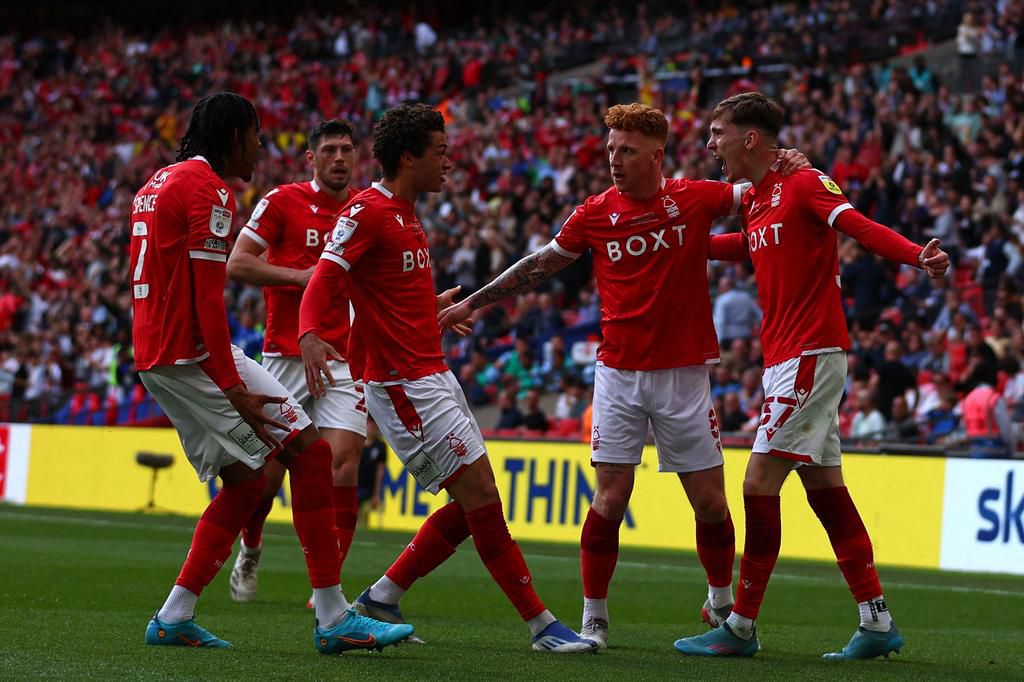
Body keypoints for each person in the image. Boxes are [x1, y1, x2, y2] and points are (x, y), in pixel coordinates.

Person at [440, 102, 809, 648]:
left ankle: (721, 601)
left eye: (627, 150)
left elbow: (760, 188)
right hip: (618, 375)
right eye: (611, 149)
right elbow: (540, 263)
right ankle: (594, 618)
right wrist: (474, 303)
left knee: (709, 502)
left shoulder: (695, 197)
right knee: (610, 498)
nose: (614, 159)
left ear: (656, 154)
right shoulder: (593, 212)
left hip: (683, 375)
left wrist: (789, 163)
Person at [297, 103, 595, 653]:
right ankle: (542, 626)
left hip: (432, 372)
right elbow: (325, 278)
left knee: (471, 504)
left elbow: (383, 294)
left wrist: (431, 311)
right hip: (403, 385)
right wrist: (311, 332)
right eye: (439, 152)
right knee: (482, 497)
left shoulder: (406, 213)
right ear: (408, 158)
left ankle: (384, 595)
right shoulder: (367, 212)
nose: (449, 162)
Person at [131, 92, 412, 654]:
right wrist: (231, 385)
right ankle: (334, 618)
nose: (261, 145)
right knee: (310, 456)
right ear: (235, 135)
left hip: (157, 355)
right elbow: (209, 299)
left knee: (246, 482)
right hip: (196, 357)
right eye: (256, 134)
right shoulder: (209, 190)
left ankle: (174, 614)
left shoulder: (155, 182)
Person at [674, 91, 949, 660]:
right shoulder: (757, 199)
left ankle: (741, 626)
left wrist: (915, 256)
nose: (710, 145)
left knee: (756, 485)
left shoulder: (805, 182)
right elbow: (740, 247)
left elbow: (857, 225)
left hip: (811, 355)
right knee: (826, 491)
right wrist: (675, 243)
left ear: (750, 139)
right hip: (786, 359)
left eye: (718, 133)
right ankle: (876, 622)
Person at [225, 119, 367, 605]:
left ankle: (328, 590)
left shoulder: (366, 208)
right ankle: (251, 545)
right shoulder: (282, 201)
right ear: (312, 158)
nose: (340, 158)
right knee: (266, 481)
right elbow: (237, 263)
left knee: (344, 462)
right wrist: (300, 277)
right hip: (285, 355)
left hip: (344, 358)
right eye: (329, 150)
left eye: (347, 149)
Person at [962, 361, 1016, 458]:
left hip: (974, 450)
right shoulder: (993, 397)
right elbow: (1006, 430)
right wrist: (1011, 451)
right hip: (996, 451)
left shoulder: (968, 398)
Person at [357, 417, 387, 525]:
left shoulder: (380, 446)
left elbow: (380, 471)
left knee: (359, 499)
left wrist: (377, 493)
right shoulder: (357, 443)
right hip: (355, 484)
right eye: (370, 424)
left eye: (375, 425)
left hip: (368, 488)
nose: (373, 428)